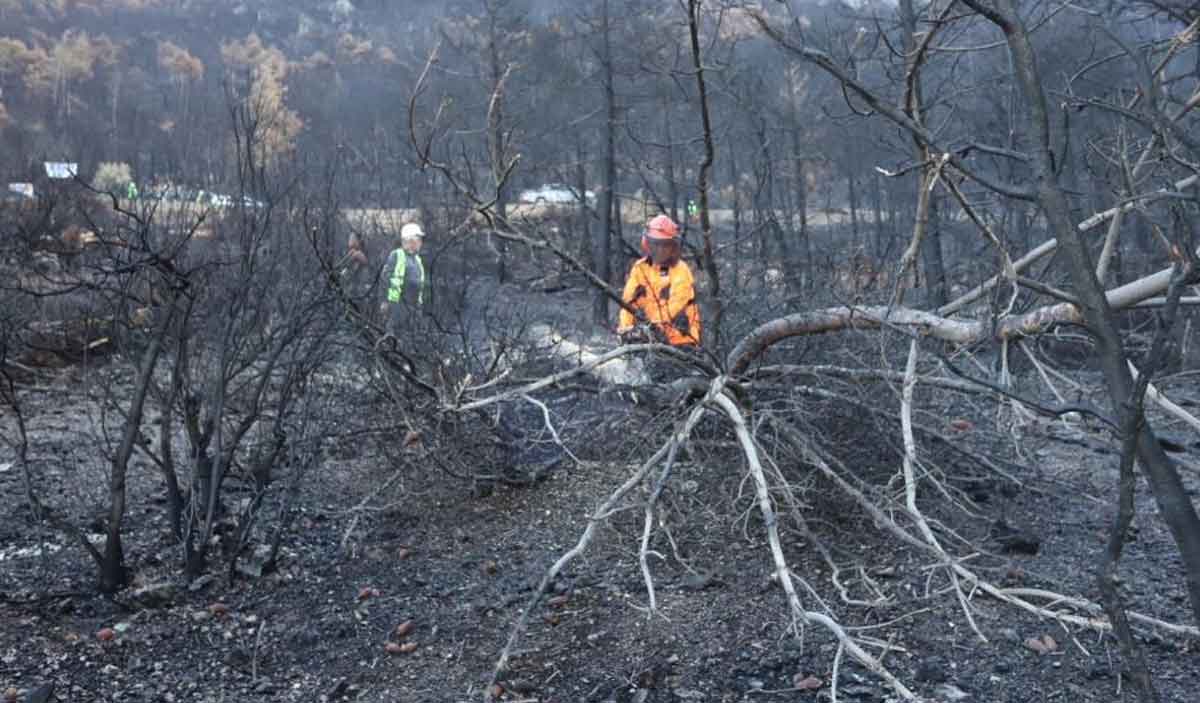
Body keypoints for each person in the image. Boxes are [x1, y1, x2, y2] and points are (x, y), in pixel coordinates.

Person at [617, 214, 701, 349]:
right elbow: (628, 303)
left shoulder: (680, 270)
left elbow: (675, 305)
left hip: (682, 342)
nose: (660, 250)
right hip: (652, 340)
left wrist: (651, 328)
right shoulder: (640, 268)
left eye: (665, 245)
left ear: (673, 247)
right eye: (656, 244)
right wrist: (626, 329)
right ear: (648, 244)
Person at [379, 222, 428, 333]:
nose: (420, 243)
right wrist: (385, 301)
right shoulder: (397, 255)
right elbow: (385, 279)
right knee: (395, 336)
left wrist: (419, 307)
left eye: (419, 240)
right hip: (397, 306)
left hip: (413, 307)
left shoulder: (417, 259)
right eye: (418, 239)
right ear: (409, 240)